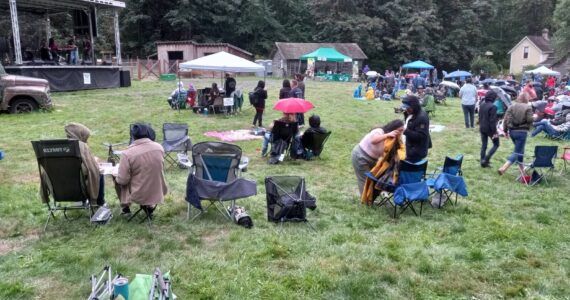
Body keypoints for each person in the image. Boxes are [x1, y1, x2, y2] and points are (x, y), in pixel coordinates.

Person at [114, 123, 167, 216]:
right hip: (158, 190)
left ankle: (125, 208)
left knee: (117, 179)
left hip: (139, 194)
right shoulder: (159, 148)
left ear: (133, 136)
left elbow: (122, 180)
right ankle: (149, 206)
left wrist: (117, 175)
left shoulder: (127, 153)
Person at [351, 119, 405, 197]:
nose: (400, 133)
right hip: (360, 156)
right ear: (394, 128)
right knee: (365, 179)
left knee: (375, 178)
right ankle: (365, 202)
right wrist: (388, 135)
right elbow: (374, 140)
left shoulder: (392, 139)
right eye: (399, 130)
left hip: (373, 159)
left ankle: (370, 198)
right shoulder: (379, 131)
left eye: (402, 131)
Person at [64, 122, 105, 206]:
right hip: (81, 185)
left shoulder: (59, 146)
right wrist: (95, 162)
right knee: (98, 173)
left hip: (61, 186)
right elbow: (91, 168)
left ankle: (78, 201)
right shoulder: (81, 146)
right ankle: (100, 202)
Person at [498, 93, 534, 176]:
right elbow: (529, 120)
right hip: (522, 132)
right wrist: (534, 117)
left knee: (520, 150)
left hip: (512, 132)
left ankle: (521, 169)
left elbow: (505, 119)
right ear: (526, 99)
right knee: (517, 152)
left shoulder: (511, 106)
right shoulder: (528, 107)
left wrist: (505, 131)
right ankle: (504, 168)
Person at [401, 95, 431, 162]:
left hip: (415, 152)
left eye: (408, 108)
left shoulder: (422, 117)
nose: (406, 109)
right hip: (408, 147)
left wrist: (405, 131)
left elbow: (421, 136)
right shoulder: (412, 113)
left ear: (414, 106)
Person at [478, 91, 500, 168]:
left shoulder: (482, 104)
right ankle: (485, 160)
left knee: (484, 145)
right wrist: (495, 132)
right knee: (496, 144)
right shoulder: (493, 107)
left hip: (482, 127)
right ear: (493, 98)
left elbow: (479, 116)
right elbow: (492, 121)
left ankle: (482, 160)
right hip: (490, 129)